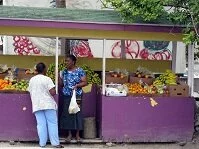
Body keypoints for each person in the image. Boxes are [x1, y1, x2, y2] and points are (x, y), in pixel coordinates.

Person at [28, 62, 64, 148]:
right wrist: (54, 89)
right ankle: (55, 143)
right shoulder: (47, 79)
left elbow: (30, 90)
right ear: (44, 69)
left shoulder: (32, 80)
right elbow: (53, 92)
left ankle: (42, 143)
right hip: (48, 104)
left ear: (36, 70)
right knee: (52, 123)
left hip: (37, 105)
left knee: (41, 124)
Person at [59, 55, 87, 142]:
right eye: (65, 61)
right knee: (68, 114)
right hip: (67, 95)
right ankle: (69, 135)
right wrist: (58, 76)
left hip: (77, 95)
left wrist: (77, 86)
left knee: (77, 113)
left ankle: (78, 135)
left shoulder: (80, 71)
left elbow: (85, 82)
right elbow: (62, 84)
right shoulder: (64, 72)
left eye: (68, 61)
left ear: (73, 62)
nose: (66, 63)